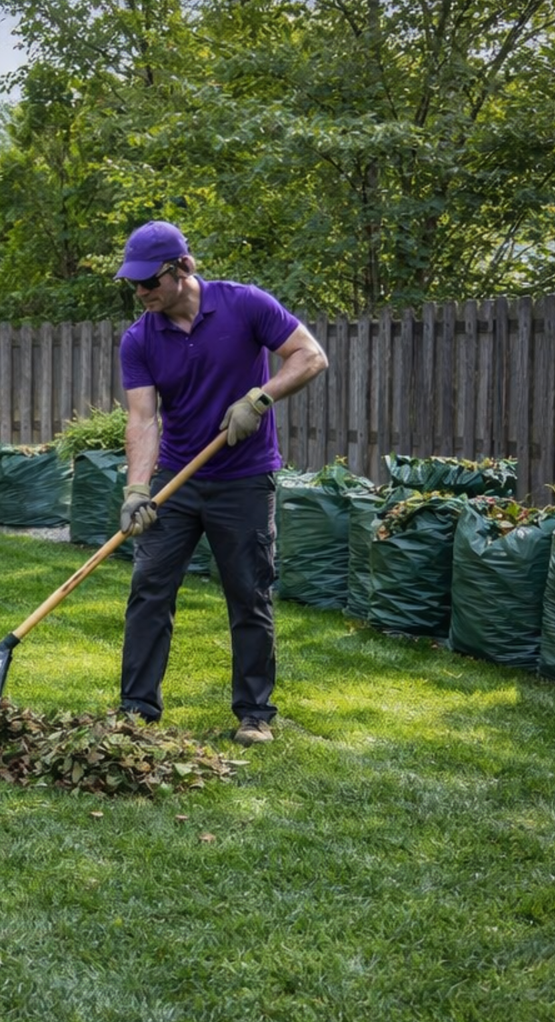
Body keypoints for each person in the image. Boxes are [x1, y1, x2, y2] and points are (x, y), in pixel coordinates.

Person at [111, 221, 328, 745]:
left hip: (245, 480)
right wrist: (138, 490)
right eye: (134, 284)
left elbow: (309, 355)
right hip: (177, 480)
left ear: (182, 268)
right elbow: (143, 419)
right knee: (149, 590)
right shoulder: (140, 338)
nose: (141, 293)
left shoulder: (244, 305)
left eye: (149, 282)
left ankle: (254, 713)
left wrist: (260, 398)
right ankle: (137, 709)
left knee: (249, 594)